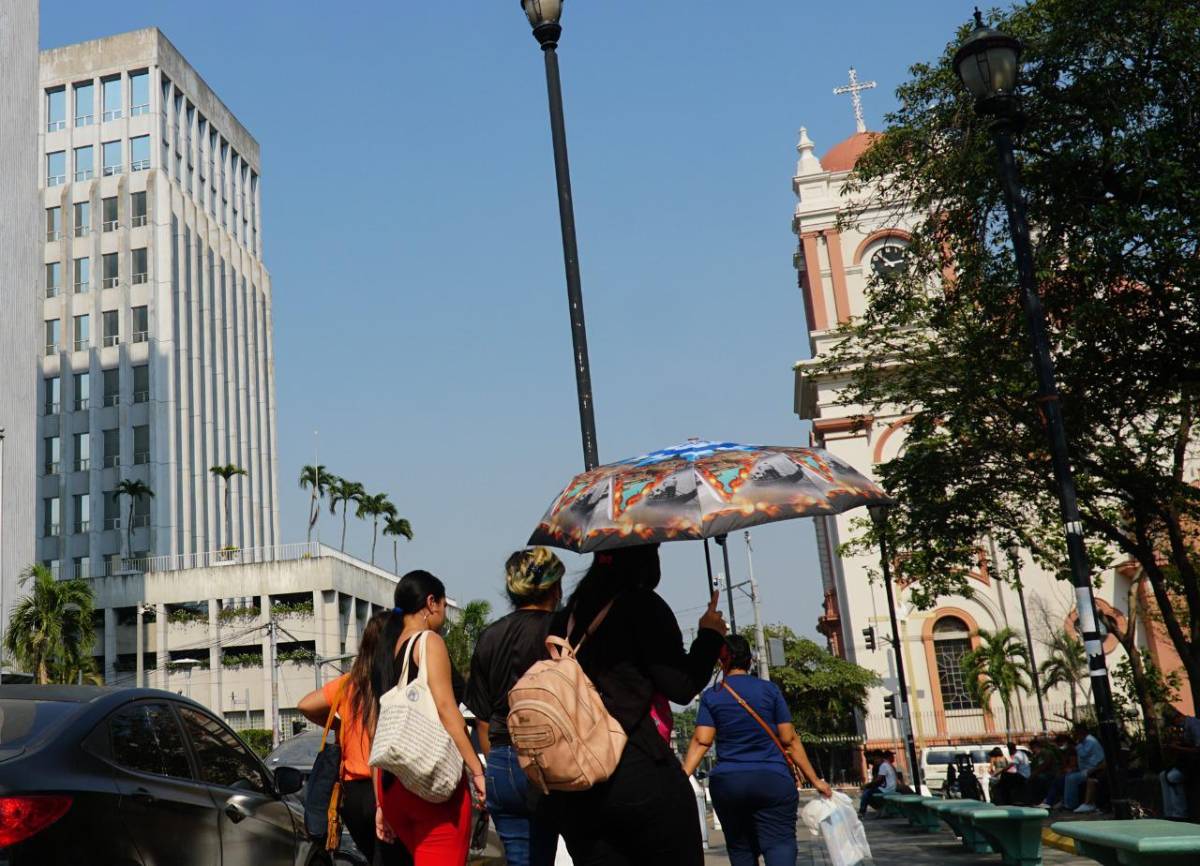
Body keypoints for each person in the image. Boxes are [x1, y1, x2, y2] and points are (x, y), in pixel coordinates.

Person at [545, 544, 727, 866]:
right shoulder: (642, 606)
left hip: (577, 785)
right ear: (645, 559)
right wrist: (709, 636)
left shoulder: (566, 619)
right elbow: (681, 686)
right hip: (638, 768)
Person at [682, 635, 832, 866]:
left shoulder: (713, 695)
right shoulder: (769, 690)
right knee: (779, 843)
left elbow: (702, 741)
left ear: (722, 663)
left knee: (740, 849)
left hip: (729, 784)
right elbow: (789, 739)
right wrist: (815, 780)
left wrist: (681, 780)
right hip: (772, 780)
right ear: (750, 660)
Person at [370, 570, 488, 865]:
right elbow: (448, 711)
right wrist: (477, 771)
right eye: (445, 607)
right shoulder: (427, 642)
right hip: (430, 781)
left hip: (393, 786)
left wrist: (380, 803)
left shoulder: (386, 649)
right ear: (431, 602)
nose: (444, 615)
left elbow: (376, 727)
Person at [466, 547, 565, 866]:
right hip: (553, 759)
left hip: (502, 762)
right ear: (555, 588)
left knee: (519, 858)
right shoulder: (563, 629)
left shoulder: (489, 636)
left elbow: (481, 720)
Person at [297, 612, 413, 866]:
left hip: (351, 796)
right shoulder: (390, 684)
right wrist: (382, 803)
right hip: (381, 789)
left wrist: (343, 723)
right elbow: (377, 748)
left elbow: (305, 704)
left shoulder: (349, 683)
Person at [1160, 705, 1200, 819]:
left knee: (1172, 777)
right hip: (1188, 763)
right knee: (1163, 775)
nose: (1174, 726)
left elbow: (1198, 749)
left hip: (1195, 763)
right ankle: (1169, 812)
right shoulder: (1184, 728)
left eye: (1174, 722)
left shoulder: (1194, 725)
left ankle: (1180, 812)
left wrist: (1178, 748)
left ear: (1178, 717)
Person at [1064, 722, 1105, 813]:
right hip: (1086, 769)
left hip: (1093, 769)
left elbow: (1083, 754)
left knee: (1072, 778)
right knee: (1068, 776)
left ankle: (1071, 804)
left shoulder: (1090, 741)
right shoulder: (1084, 741)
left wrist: (1076, 746)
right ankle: (1066, 802)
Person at [859, 749, 897, 817]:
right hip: (887, 788)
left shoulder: (883, 765)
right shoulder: (885, 764)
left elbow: (878, 780)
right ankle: (880, 808)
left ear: (881, 758)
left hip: (886, 789)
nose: (875, 760)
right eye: (874, 759)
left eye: (877, 758)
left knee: (866, 793)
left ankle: (862, 812)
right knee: (868, 793)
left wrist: (867, 785)